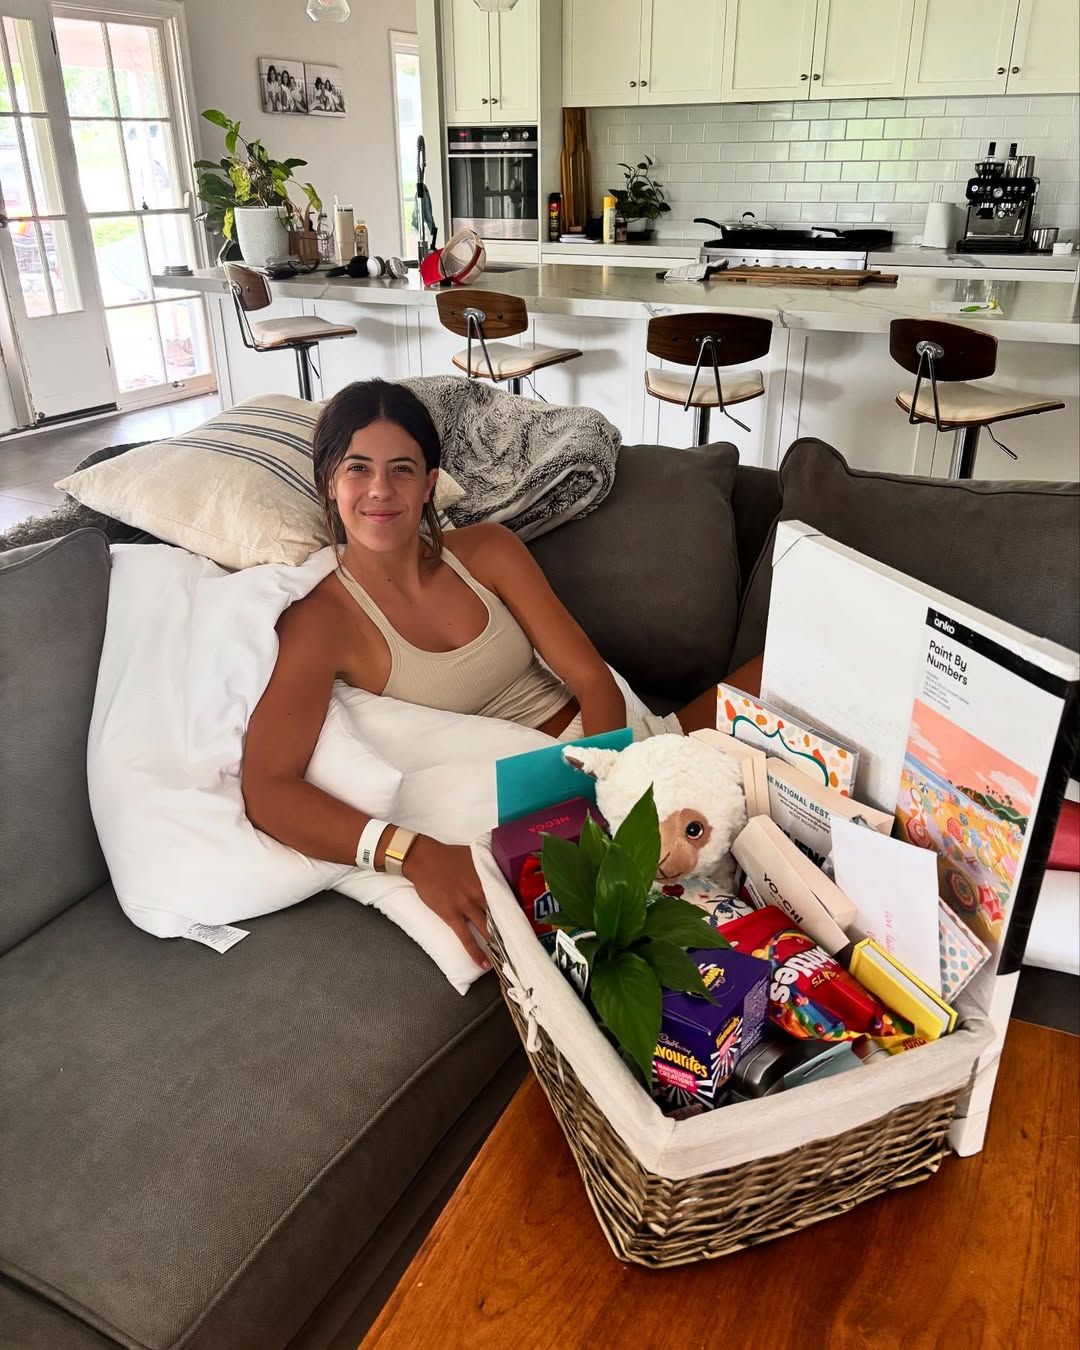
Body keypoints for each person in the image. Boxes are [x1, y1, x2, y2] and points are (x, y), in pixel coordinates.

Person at [242, 380, 718, 966]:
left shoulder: (487, 550)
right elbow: (268, 787)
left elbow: (592, 679)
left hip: (608, 751)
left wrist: (606, 793)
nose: (380, 490)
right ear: (329, 483)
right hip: (514, 809)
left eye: (402, 469)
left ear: (429, 484)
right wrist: (412, 854)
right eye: (357, 468)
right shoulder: (319, 622)